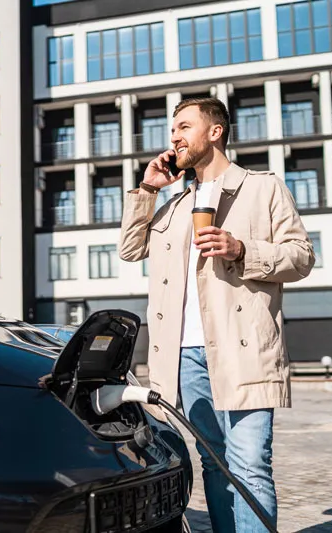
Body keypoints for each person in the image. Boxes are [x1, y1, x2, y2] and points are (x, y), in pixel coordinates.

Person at [118, 97, 315, 532]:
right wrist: (148, 190)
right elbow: (130, 250)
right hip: (183, 355)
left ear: (215, 131)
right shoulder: (171, 204)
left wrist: (244, 249)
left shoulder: (263, 188)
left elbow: (301, 257)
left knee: (249, 464)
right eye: (173, 131)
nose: (175, 137)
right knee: (214, 463)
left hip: (241, 348)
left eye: (185, 126)